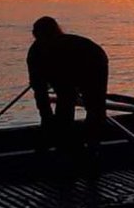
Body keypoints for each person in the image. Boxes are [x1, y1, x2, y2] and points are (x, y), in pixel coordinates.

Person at [27, 16, 109, 152]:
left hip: (94, 61)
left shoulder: (66, 48)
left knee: (94, 106)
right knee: (65, 105)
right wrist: (46, 118)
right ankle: (66, 141)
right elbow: (39, 90)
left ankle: (92, 144)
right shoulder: (34, 54)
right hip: (70, 68)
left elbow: (66, 92)